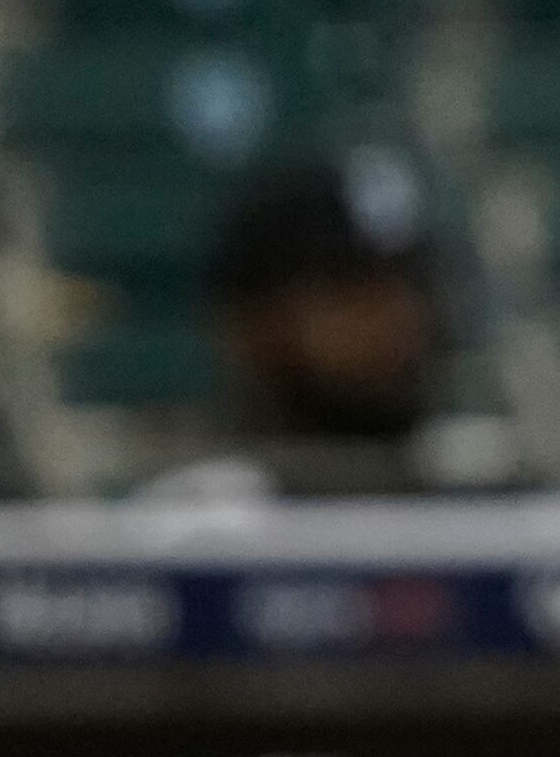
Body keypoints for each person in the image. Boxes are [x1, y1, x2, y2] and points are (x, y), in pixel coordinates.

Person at [133, 156, 527, 505]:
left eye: (411, 285)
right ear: (254, 321)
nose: (396, 316)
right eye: (352, 289)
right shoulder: (195, 525)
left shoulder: (493, 500)